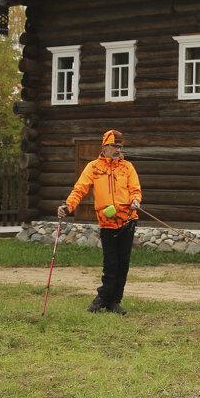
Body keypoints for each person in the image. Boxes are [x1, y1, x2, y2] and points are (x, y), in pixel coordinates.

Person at [57, 129, 142, 315]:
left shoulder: (127, 167)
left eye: (120, 146)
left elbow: (135, 189)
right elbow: (79, 189)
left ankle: (114, 302)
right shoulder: (93, 167)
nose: (118, 150)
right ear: (104, 146)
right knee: (111, 263)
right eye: (114, 146)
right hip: (107, 224)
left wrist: (136, 200)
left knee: (123, 264)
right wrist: (67, 206)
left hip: (128, 221)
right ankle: (103, 297)